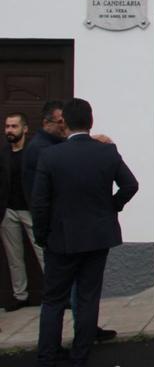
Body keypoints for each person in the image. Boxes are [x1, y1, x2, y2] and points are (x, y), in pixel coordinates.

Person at [32, 98, 139, 366]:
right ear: (90, 122)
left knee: (54, 300)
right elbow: (130, 185)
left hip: (61, 238)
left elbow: (40, 203)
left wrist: (41, 234)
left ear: (63, 122)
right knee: (89, 297)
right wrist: (111, 208)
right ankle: (81, 354)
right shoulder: (107, 152)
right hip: (97, 236)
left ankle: (48, 354)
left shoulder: (51, 156)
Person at [1, 112, 44, 312]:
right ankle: (21, 296)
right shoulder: (3, 152)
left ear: (25, 129)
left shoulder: (33, 152)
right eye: (8, 126)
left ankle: (58, 293)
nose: (9, 130)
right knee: (14, 257)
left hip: (30, 210)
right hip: (8, 210)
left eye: (14, 126)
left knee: (43, 252)